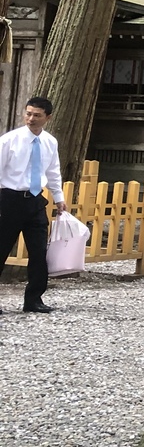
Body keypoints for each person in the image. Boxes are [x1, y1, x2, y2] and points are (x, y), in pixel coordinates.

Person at [0, 96, 68, 314]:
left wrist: (59, 197)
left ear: (48, 117)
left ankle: (34, 299)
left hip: (36, 200)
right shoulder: (9, 140)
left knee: (39, 252)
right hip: (9, 199)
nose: (31, 119)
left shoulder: (50, 142)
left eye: (37, 115)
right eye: (28, 114)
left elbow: (53, 171)